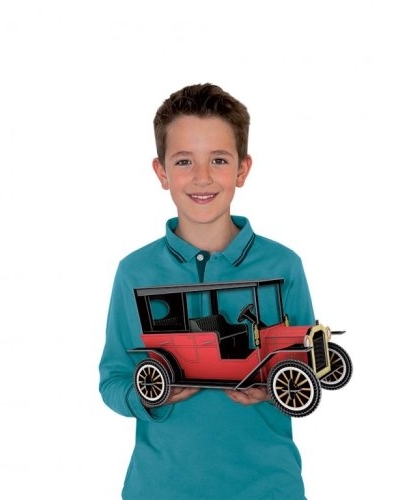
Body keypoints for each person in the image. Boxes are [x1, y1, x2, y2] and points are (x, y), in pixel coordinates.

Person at [99, 83, 315, 499]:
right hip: (160, 488)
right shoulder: (134, 271)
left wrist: (271, 391)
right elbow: (113, 379)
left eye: (218, 159)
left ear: (242, 170)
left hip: (267, 487)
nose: (202, 177)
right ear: (162, 172)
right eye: (184, 161)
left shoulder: (283, 265)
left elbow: (303, 373)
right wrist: (151, 399)